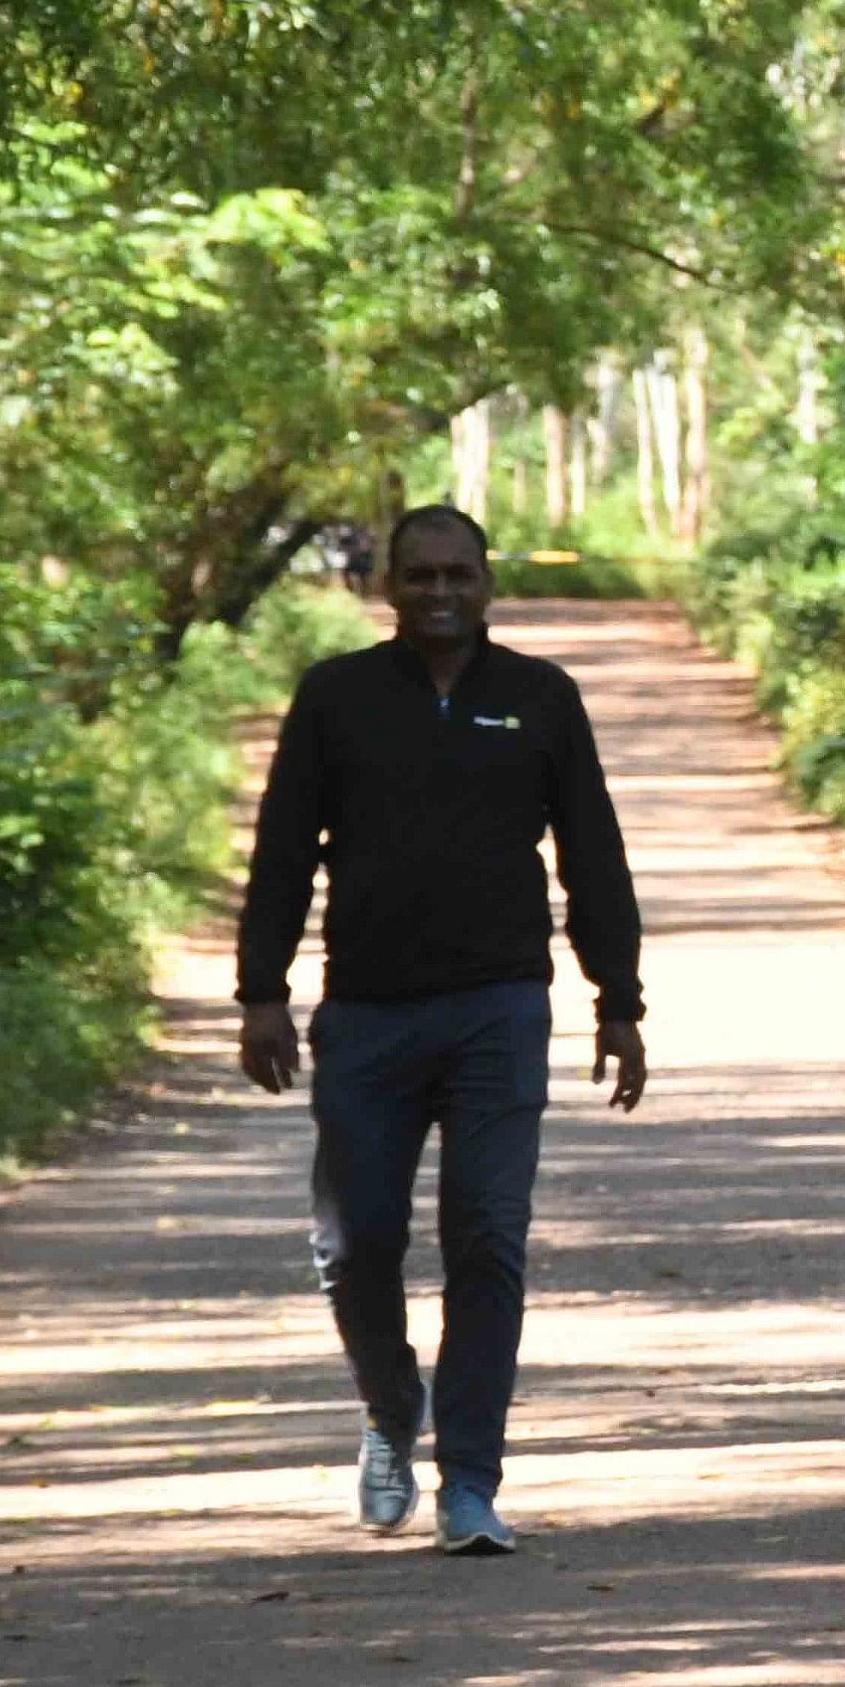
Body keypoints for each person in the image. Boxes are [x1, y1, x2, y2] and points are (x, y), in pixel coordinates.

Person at [236, 503, 648, 1558]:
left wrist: (618, 997)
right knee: (353, 1238)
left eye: (457, 573)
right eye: (419, 575)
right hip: (366, 1012)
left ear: (487, 580)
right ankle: (388, 1411)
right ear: (389, 584)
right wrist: (261, 990)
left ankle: (470, 1477)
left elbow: (591, 851)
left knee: (487, 1235)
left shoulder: (539, 697)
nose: (439, 593)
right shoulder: (337, 697)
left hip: (497, 1008)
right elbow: (284, 847)